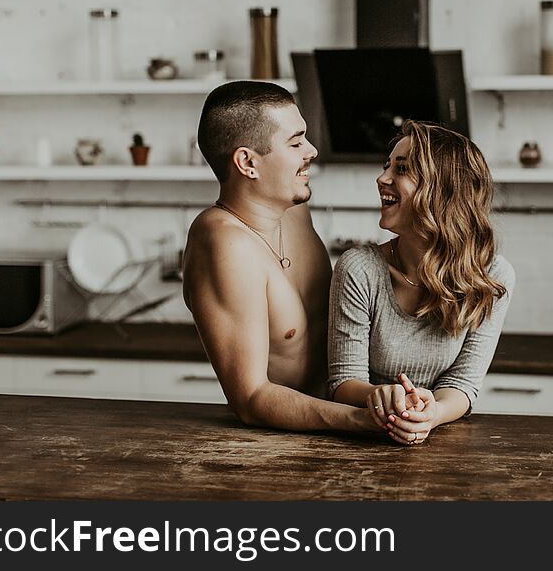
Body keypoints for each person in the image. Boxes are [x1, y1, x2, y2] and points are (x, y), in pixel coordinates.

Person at [182, 80, 377, 433]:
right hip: (281, 446)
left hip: (344, 428)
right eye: (296, 141)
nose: (312, 150)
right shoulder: (224, 242)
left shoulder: (293, 211)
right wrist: (363, 420)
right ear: (248, 163)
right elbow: (251, 398)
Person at [328, 121, 515, 445]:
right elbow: (344, 381)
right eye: (387, 166)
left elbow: (463, 383)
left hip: (438, 442)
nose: (382, 179)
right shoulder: (358, 269)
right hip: (357, 440)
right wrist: (382, 396)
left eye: (401, 170)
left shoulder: (492, 277)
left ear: (442, 191)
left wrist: (433, 413)